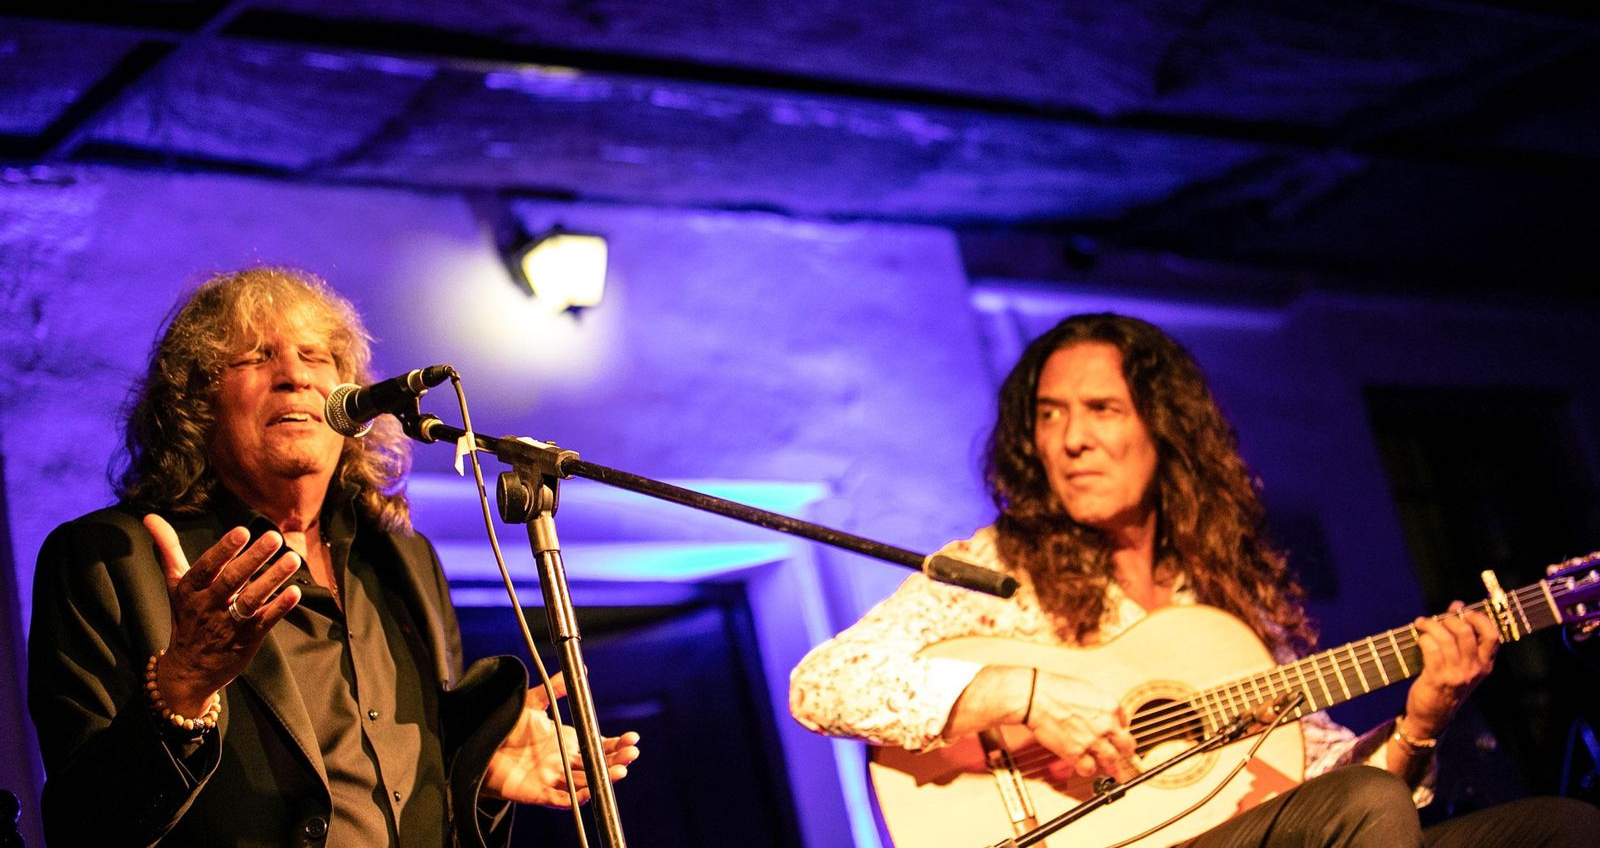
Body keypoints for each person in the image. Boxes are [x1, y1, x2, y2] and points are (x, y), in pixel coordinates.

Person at [790, 312, 1599, 846]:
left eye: (1101, 408)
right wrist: (1017, 693)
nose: (1070, 439)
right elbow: (822, 684)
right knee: (1371, 810)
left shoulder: (1222, 592)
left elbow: (1311, 779)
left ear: (1163, 430)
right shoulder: (998, 566)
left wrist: (1421, 722)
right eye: (1048, 413)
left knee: (1559, 828)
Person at [28, 267, 640, 847]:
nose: (295, 375)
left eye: (317, 356)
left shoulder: (405, 560)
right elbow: (84, 827)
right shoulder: (107, 560)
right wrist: (183, 687)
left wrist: (472, 769)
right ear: (197, 401)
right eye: (256, 356)